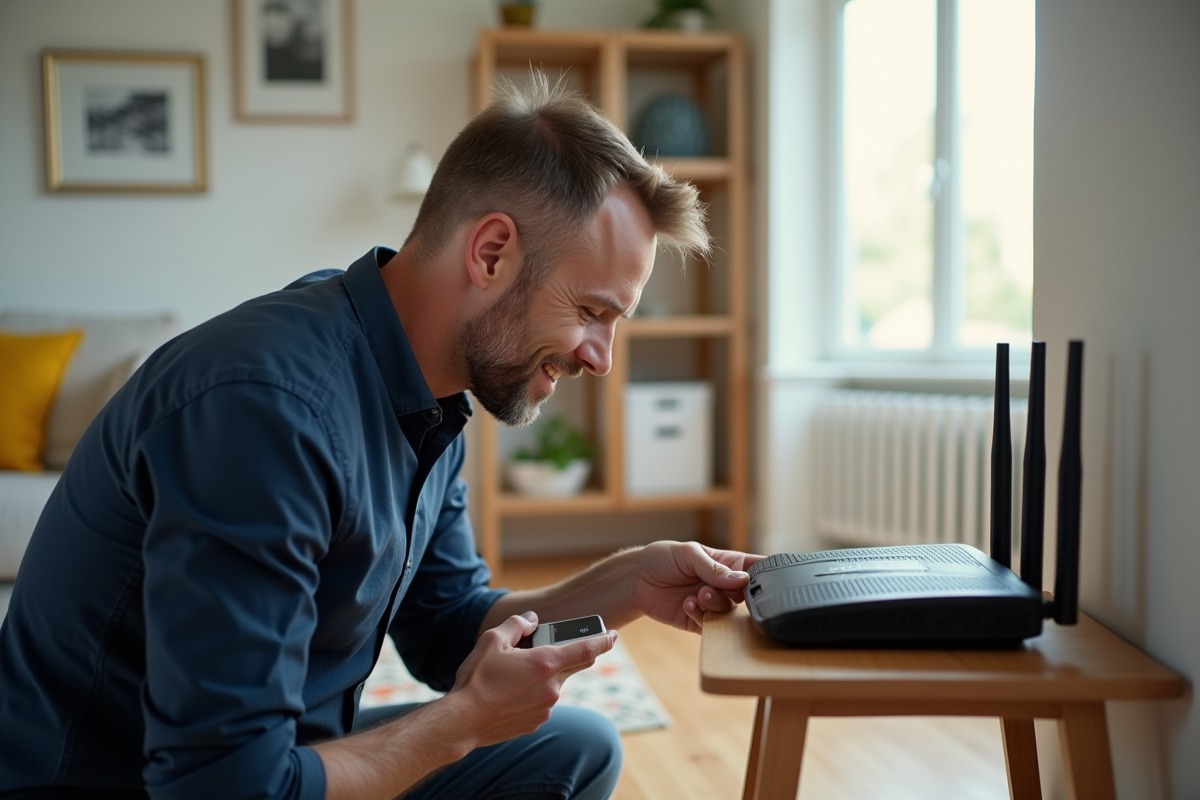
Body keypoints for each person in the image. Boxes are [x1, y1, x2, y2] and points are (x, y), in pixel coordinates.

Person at [0, 74, 762, 800]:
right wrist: (460, 725)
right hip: (129, 782)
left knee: (577, 746)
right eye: (593, 312)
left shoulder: (424, 393)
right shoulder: (268, 409)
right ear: (491, 253)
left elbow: (449, 630)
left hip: (276, 759)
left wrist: (628, 582)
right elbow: (219, 786)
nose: (601, 358)